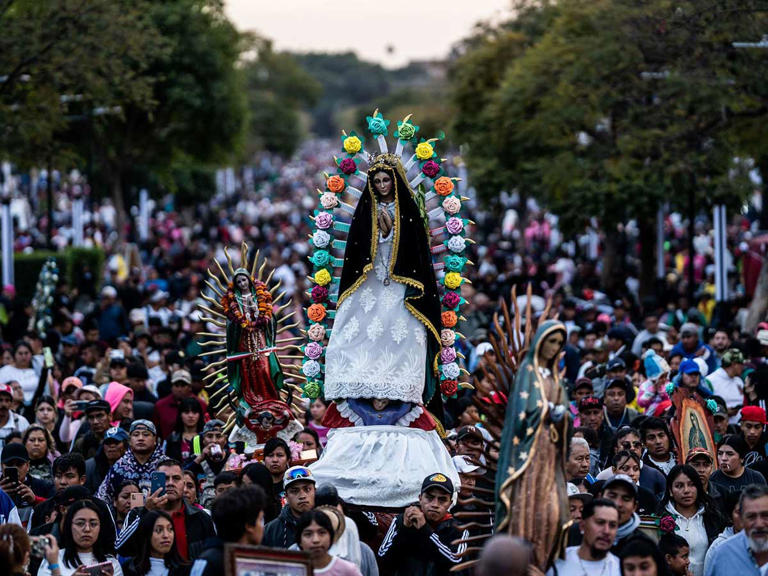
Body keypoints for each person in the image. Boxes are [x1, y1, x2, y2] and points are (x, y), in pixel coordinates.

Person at [496, 321, 569, 569]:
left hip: (550, 451)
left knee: (551, 511)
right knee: (526, 503)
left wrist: (562, 417)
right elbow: (520, 414)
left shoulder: (555, 378)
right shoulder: (528, 373)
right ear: (540, 341)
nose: (554, 347)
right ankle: (523, 562)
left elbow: (564, 414)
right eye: (551, 341)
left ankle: (542, 561)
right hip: (527, 453)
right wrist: (548, 410)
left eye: (559, 343)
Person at [116, 458, 215, 560]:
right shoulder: (137, 513)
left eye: (176, 478)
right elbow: (122, 548)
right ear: (154, 483)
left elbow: (211, 557)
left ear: (184, 485)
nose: (170, 483)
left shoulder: (201, 518)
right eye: (165, 478)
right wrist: (146, 512)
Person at [378, 472, 468, 574]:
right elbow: (382, 559)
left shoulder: (459, 529)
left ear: (450, 504)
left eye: (442, 500)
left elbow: (456, 561)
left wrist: (425, 530)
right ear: (420, 498)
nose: (435, 504)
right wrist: (404, 529)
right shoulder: (402, 520)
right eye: (429, 498)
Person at [659, 465, 725, 576]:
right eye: (679, 486)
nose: (686, 491)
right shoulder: (660, 518)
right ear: (670, 490)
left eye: (691, 485)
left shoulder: (713, 517)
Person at [193, 485, 266, 576]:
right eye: (260, 519)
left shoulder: (256, 560)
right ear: (249, 526)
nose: (262, 527)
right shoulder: (210, 562)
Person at [37, 499, 123, 576]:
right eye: (80, 523)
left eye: (93, 524)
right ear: (69, 526)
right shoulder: (53, 559)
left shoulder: (112, 564)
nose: (87, 529)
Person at [705, 484, 768, 576]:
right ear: (741, 518)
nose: (759, 524)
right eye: (751, 516)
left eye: (765, 515)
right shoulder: (722, 554)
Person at [548, 498, 621, 576]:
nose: (606, 531)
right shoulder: (556, 562)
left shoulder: (621, 569)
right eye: (600, 523)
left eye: (612, 525)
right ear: (582, 526)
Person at [97, 419, 165, 502]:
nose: (140, 438)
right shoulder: (119, 467)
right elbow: (102, 497)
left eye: (146, 435)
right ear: (129, 440)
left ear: (155, 439)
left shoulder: (165, 465)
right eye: (136, 435)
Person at [1, 442, 54, 527]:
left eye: (19, 464)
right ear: (1, 466)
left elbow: (54, 511)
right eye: (9, 465)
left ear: (28, 465)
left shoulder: (43, 487)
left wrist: (35, 500)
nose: (15, 468)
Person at [121, 510, 189, 576]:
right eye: (159, 530)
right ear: (147, 534)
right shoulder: (129, 569)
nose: (166, 535)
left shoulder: (185, 570)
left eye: (170, 529)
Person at [263, 465, 316, 548]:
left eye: (307, 489)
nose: (302, 496)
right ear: (286, 496)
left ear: (315, 491)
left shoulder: (329, 522)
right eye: (294, 491)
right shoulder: (270, 531)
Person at [297, 509, 362, 576]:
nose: (315, 540)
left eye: (322, 533)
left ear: (331, 537)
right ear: (299, 540)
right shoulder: (292, 570)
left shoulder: (347, 570)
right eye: (308, 534)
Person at [152, 370, 206, 441]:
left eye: (183, 385)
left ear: (190, 387)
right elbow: (155, 432)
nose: (179, 389)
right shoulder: (160, 406)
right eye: (176, 385)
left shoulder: (201, 404)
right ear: (171, 387)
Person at [184, 419, 227, 507]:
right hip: (201, 508)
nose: (214, 441)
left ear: (225, 440)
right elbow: (183, 477)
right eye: (210, 436)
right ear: (203, 440)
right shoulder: (196, 459)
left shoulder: (234, 459)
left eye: (219, 436)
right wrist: (200, 458)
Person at [85, 426, 128, 494]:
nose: (111, 446)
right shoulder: (90, 467)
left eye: (116, 442)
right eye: (108, 443)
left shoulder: (134, 467)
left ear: (126, 446)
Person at [706, 349, 745, 424]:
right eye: (741, 364)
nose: (743, 367)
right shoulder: (711, 380)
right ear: (734, 364)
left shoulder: (739, 381)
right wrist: (724, 411)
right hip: (720, 425)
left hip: (739, 425)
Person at [163, 397, 204, 462]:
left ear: (200, 415)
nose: (190, 416)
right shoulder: (172, 438)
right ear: (180, 415)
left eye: (194, 412)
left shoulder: (206, 437)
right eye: (186, 412)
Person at [0, 342, 39, 406]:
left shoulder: (37, 370)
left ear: (31, 354)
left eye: (26, 353)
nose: (23, 356)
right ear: (14, 355)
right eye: (20, 353)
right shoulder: (5, 371)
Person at [0, 381, 30, 455]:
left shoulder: (21, 422)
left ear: (11, 403)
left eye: (7, 400)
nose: (3, 404)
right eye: (0, 400)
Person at [263, 437, 291, 507]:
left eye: (280, 455)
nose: (275, 460)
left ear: (288, 459)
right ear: (264, 460)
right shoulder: (259, 486)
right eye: (270, 455)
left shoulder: (293, 483)